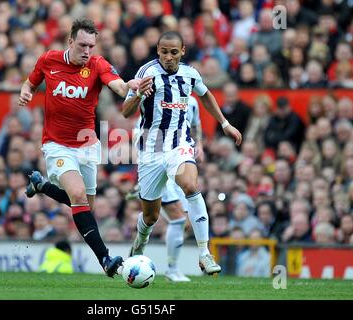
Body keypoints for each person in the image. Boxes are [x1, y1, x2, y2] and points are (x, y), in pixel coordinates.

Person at [18, 19, 147, 278]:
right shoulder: (49, 60)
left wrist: (130, 87)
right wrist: (26, 92)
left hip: (87, 144)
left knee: (84, 204)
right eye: (82, 45)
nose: (87, 50)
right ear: (70, 41)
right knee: (77, 196)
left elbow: (117, 85)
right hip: (57, 145)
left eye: (91, 45)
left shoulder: (97, 64)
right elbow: (30, 82)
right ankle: (106, 260)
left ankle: (41, 186)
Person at [121, 31, 242, 275]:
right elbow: (125, 111)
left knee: (190, 186)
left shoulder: (190, 74)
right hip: (151, 152)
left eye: (173, 52)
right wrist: (140, 95)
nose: (168, 57)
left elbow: (206, 95)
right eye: (164, 52)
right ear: (158, 51)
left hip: (179, 145)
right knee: (151, 216)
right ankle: (140, 241)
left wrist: (225, 123)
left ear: (182, 51)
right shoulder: (145, 73)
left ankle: (205, 253)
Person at [126, 95, 204, 282]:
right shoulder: (155, 99)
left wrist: (199, 144)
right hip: (157, 161)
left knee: (184, 222)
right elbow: (139, 132)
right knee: (177, 217)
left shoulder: (191, 102)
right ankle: (172, 269)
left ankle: (169, 266)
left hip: (180, 160)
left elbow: (196, 124)